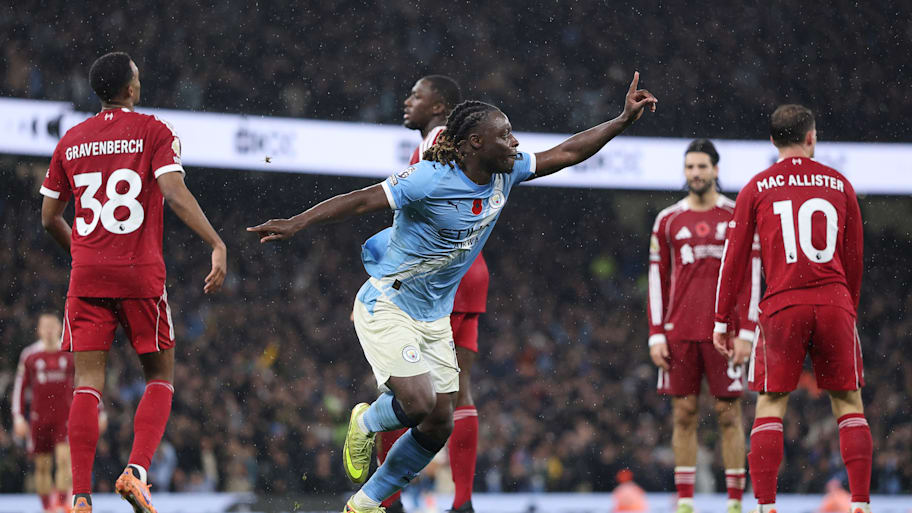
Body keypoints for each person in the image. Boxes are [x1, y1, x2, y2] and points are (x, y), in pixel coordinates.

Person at [249, 72, 657, 513]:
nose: (515, 142)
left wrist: (620, 121)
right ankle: (366, 421)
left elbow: (567, 152)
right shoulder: (429, 177)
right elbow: (363, 200)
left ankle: (366, 502)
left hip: (434, 316)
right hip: (388, 303)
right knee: (418, 402)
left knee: (440, 421)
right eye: (505, 135)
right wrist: (297, 223)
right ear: (476, 143)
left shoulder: (508, 171)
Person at [39, 51, 227, 513]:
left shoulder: (71, 140)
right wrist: (215, 242)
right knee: (160, 377)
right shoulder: (153, 131)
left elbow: (48, 218)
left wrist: (84, 254)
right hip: (139, 273)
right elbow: (174, 193)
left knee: (87, 384)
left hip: (87, 276)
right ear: (129, 89)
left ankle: (80, 497)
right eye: (137, 77)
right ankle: (136, 472)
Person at [714, 104, 870, 513]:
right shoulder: (839, 184)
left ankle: (766, 506)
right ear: (811, 138)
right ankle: (860, 503)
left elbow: (733, 260)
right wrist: (848, 307)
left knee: (771, 404)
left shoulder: (757, 187)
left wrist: (721, 319)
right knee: (848, 403)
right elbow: (854, 257)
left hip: (782, 304)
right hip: (834, 300)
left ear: (772, 141)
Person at [379, 75, 486, 513]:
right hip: (470, 270)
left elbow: (417, 220)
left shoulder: (436, 142)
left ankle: (389, 499)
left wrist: (384, 281)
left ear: (440, 106)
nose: (407, 101)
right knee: (460, 390)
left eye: (416, 96)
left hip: (435, 277)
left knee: (400, 387)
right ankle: (463, 502)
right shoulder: (458, 147)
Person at [648, 139, 759, 513]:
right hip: (679, 332)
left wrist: (747, 331)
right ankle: (685, 501)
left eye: (701, 167)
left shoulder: (735, 215)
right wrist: (656, 333)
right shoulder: (667, 220)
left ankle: (734, 502)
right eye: (690, 167)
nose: (695, 173)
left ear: (716, 170)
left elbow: (749, 275)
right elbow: (657, 280)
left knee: (729, 415)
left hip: (725, 334)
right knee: (684, 415)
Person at [12, 313, 106, 513]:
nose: (48, 330)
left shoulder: (69, 353)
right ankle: (48, 507)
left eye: (52, 326)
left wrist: (100, 410)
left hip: (65, 417)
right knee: (42, 466)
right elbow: (20, 387)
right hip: (39, 419)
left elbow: (87, 381)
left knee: (65, 460)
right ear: (38, 330)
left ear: (59, 328)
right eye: (44, 326)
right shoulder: (30, 355)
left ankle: (62, 503)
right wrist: (18, 417)